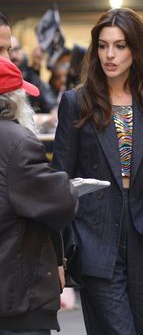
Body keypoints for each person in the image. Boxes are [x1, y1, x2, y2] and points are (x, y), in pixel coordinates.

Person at [52, 8, 143, 335]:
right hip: (94, 235)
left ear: (136, 50)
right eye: (102, 46)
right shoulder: (77, 101)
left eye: (119, 46)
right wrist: (56, 253)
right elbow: (58, 179)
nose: (109, 55)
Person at [0, 55, 79, 334]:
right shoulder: (17, 142)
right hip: (14, 292)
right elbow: (59, 202)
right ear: (14, 100)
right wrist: (68, 186)